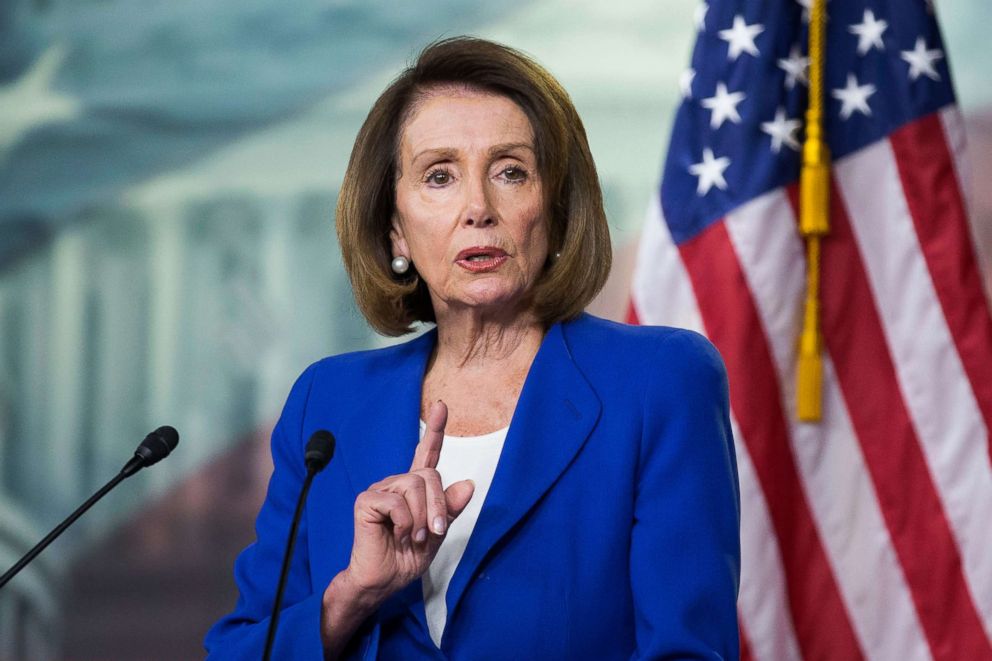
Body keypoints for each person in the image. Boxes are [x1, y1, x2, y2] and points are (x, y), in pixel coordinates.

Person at [205, 36, 740, 660]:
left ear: (557, 209)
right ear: (394, 226)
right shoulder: (327, 403)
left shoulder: (659, 384)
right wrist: (351, 594)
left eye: (511, 171)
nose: (478, 208)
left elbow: (687, 650)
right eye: (440, 176)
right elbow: (242, 650)